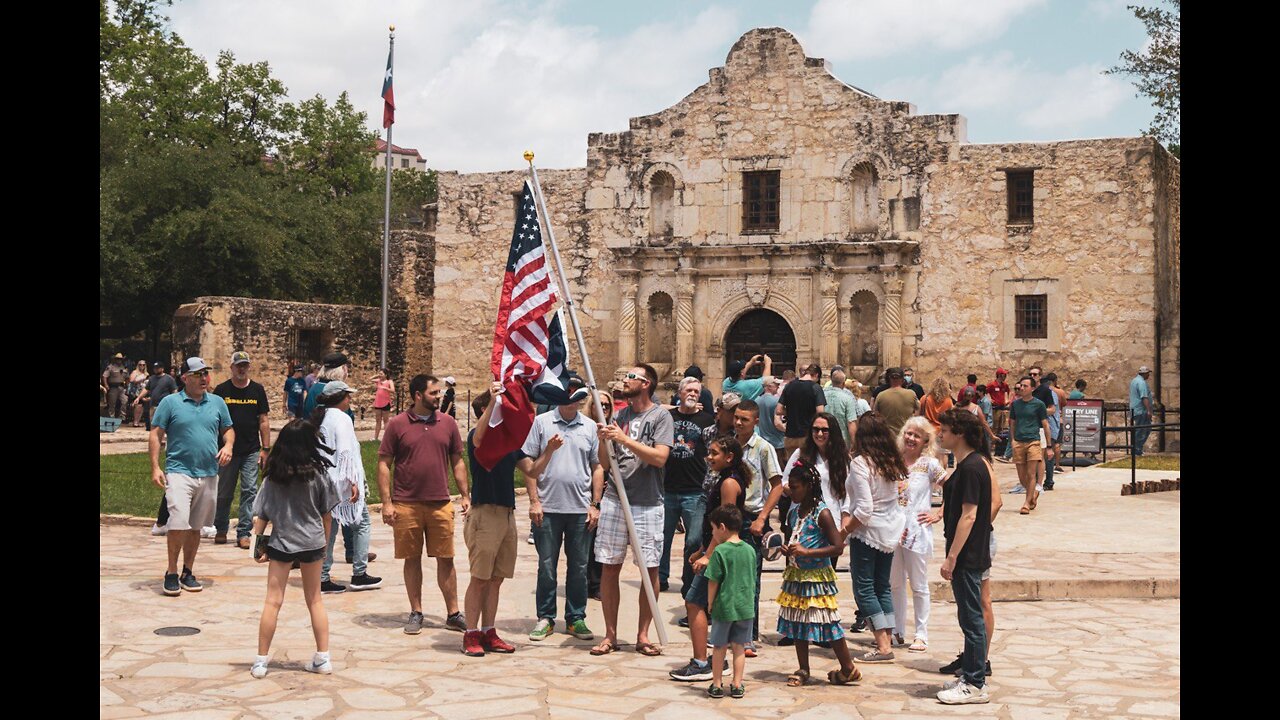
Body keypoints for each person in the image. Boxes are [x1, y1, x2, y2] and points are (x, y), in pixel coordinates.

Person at [248, 419, 343, 679]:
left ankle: (260, 661)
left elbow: (262, 517)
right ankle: (323, 657)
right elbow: (327, 515)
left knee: (272, 600)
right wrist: (324, 545)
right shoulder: (319, 474)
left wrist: (257, 546)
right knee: (314, 600)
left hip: (282, 542)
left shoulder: (272, 477)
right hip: (313, 541)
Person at [377, 374, 470, 635]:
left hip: (440, 502)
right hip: (406, 503)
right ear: (418, 395)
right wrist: (386, 502)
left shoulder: (448, 423)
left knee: (446, 558)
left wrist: (465, 495)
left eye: (439, 393)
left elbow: (458, 461)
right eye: (434, 393)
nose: (439, 397)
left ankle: (453, 613)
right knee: (412, 558)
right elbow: (384, 464)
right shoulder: (397, 424)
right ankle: (416, 611)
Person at [592, 363, 673, 657]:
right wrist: (604, 441)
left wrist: (625, 439)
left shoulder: (660, 416)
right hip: (615, 497)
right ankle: (610, 635)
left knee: (649, 567)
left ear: (647, 383)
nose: (624, 380)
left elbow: (660, 458)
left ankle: (643, 634)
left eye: (630, 376)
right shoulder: (619, 415)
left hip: (647, 500)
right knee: (609, 565)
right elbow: (604, 461)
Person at [518, 378, 603, 644]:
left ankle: (576, 617)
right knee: (546, 566)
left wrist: (595, 503)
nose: (577, 399)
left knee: (578, 567)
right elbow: (529, 462)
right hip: (548, 507)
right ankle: (545, 617)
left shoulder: (588, 426)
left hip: (579, 509)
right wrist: (533, 501)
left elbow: (597, 466)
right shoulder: (542, 423)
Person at [150, 357, 233, 596]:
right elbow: (156, 434)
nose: (203, 378)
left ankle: (188, 571)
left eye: (205, 373)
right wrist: (156, 467)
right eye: (197, 374)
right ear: (185, 377)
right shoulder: (170, 403)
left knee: (196, 527)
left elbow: (228, 429)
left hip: (208, 472)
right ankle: (171, 571)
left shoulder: (217, 403)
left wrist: (228, 445)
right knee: (177, 523)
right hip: (179, 472)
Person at [669, 436, 748, 683]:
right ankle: (709, 659)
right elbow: (715, 526)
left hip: (721, 554)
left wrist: (708, 556)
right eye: (709, 452)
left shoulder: (729, 484)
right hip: (714, 550)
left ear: (729, 457)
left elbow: (725, 525)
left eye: (714, 453)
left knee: (694, 602)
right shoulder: (724, 479)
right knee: (696, 603)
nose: (709, 457)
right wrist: (702, 548)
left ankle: (702, 662)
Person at [777, 459, 860, 687]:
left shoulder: (821, 513)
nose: (791, 491)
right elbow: (792, 538)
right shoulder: (794, 513)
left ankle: (848, 667)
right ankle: (803, 668)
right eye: (790, 486)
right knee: (798, 621)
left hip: (817, 578)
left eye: (795, 487)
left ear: (808, 486)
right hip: (796, 577)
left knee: (827, 621)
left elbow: (837, 546)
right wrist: (788, 549)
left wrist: (808, 551)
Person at [933, 408, 995, 705]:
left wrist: (952, 557)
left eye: (943, 430)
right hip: (968, 553)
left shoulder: (971, 467)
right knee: (968, 617)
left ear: (958, 433)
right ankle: (971, 674)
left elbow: (969, 516)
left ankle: (975, 682)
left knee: (972, 620)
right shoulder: (969, 464)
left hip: (968, 554)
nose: (939, 434)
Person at [460, 386, 522, 657]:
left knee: (496, 579)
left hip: (507, 513)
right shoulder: (479, 436)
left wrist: (550, 452)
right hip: (484, 513)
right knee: (480, 578)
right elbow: (477, 440)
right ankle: (470, 633)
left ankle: (489, 630)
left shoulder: (507, 441)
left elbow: (531, 468)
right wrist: (494, 399)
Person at [843, 412, 908, 663]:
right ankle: (886, 639)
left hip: (868, 531)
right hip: (889, 530)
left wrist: (845, 530)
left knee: (864, 588)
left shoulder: (861, 463)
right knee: (882, 585)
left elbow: (865, 508)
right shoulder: (890, 460)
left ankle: (882, 646)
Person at [312, 381, 380, 593]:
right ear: (339, 398)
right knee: (362, 522)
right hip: (341, 482)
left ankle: (322, 576)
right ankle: (359, 573)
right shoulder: (341, 418)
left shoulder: (320, 417)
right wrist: (352, 481)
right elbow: (345, 451)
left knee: (328, 529)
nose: (350, 400)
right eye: (347, 396)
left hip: (324, 480)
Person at [891, 417, 946, 653]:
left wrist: (939, 512)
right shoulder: (892, 462)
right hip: (893, 531)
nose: (911, 438)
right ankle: (896, 630)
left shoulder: (929, 464)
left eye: (916, 435)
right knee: (894, 583)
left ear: (925, 440)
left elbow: (953, 485)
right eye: (909, 433)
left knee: (919, 584)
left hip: (917, 530)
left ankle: (921, 633)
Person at [735, 399, 785, 653]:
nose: (738, 422)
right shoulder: (728, 446)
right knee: (728, 578)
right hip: (728, 518)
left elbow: (777, 485)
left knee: (751, 579)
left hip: (752, 518)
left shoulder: (764, 448)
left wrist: (762, 518)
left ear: (755, 422)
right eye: (736, 417)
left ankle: (748, 634)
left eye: (744, 419)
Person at [661, 377, 715, 595]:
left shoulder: (707, 420)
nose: (693, 394)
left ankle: (688, 581)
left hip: (695, 488)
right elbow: (652, 407)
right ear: (680, 393)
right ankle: (661, 578)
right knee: (662, 539)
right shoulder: (667, 417)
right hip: (667, 487)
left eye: (696, 391)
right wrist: (675, 406)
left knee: (693, 541)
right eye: (689, 390)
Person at [212, 351, 271, 548]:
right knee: (224, 491)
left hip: (251, 449)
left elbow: (263, 421)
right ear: (232, 367)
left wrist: (266, 448)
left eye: (244, 365)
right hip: (227, 450)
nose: (241, 368)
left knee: (249, 491)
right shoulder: (221, 391)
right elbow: (214, 421)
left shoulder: (257, 390)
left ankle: (244, 532)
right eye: (238, 365)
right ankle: (220, 528)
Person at [703, 504, 759, 698]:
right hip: (745, 607)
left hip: (724, 607)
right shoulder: (750, 550)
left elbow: (713, 581)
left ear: (722, 527)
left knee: (719, 647)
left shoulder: (720, 552)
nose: (713, 533)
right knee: (739, 647)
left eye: (713, 528)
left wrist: (710, 603)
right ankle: (737, 684)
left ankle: (717, 684)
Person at [1010, 376, 1052, 514]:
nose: (1021, 388)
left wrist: (1049, 445)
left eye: (1025, 386)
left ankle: (1026, 503)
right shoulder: (1015, 404)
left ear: (1032, 389)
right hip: (1018, 441)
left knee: (1031, 474)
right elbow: (1012, 423)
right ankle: (1033, 494)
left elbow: (1045, 424)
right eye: (1020, 386)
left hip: (1033, 441)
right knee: (1022, 478)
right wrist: (1012, 440)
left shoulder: (1039, 404)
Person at [778, 363, 826, 458]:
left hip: (790, 436)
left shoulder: (789, 386)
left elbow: (779, 410)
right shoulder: (815, 388)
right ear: (816, 375)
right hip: (807, 436)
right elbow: (820, 412)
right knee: (806, 468)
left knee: (792, 468)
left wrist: (792, 411)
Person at [872, 368, 919, 437]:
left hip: (887, 435)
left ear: (889, 379)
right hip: (905, 434)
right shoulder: (911, 394)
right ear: (903, 379)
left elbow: (875, 414)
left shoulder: (881, 395)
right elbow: (918, 408)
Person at [136, 362, 177, 434]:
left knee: (163, 424)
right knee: (153, 425)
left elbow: (174, 390)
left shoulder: (169, 379)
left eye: (158, 368)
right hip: (153, 405)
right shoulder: (151, 379)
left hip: (164, 405)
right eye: (155, 368)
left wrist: (174, 402)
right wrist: (139, 397)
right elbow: (146, 389)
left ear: (162, 369)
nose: (156, 369)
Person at [822, 369, 858, 445]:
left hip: (823, 436)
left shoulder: (821, 394)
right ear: (844, 383)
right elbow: (851, 422)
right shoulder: (848, 398)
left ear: (831, 380)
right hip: (841, 439)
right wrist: (855, 443)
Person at [1129, 366, 1153, 457]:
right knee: (1143, 430)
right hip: (1141, 410)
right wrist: (1148, 410)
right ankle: (1137, 450)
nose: (1149, 375)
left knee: (1139, 430)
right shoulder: (1141, 382)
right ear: (1145, 373)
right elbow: (1144, 397)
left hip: (1135, 409)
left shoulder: (1134, 381)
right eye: (1148, 373)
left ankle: (1135, 449)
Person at [102, 352, 129, 419]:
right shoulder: (110, 367)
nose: (119, 360)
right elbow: (104, 376)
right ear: (115, 359)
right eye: (117, 359)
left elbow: (127, 377)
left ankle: (122, 417)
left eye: (120, 359)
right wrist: (106, 385)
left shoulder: (124, 367)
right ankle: (112, 417)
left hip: (122, 387)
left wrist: (127, 385)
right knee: (112, 403)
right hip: (113, 387)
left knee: (125, 401)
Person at [985, 369, 1012, 436]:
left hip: (1003, 408)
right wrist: (989, 399)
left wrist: (1007, 399)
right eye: (1004, 375)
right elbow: (985, 392)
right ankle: (993, 443)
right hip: (995, 409)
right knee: (995, 426)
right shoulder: (992, 385)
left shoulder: (1005, 385)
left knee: (1002, 426)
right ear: (999, 375)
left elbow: (1008, 392)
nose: (1005, 376)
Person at [373, 368, 395, 441]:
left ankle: (387, 438)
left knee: (386, 421)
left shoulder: (389, 381)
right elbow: (369, 379)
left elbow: (393, 390)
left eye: (381, 374)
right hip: (378, 403)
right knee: (378, 420)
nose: (380, 375)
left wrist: (385, 388)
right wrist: (377, 375)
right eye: (379, 373)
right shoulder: (378, 381)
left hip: (386, 403)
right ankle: (375, 438)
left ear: (386, 375)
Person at [128, 360, 149, 427]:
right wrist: (141, 378)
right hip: (135, 391)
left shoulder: (146, 373)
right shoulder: (135, 372)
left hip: (143, 391)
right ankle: (135, 422)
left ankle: (138, 421)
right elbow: (131, 380)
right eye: (140, 364)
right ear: (138, 365)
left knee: (142, 407)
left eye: (143, 365)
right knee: (138, 406)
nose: (142, 366)